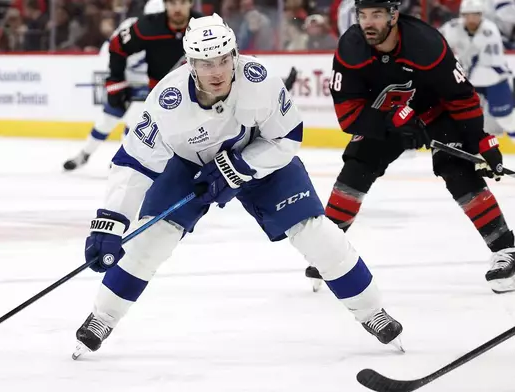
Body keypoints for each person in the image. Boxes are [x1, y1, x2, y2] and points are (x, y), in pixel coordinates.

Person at [71, 13, 404, 359]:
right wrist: (110, 222)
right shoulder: (166, 100)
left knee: (315, 232)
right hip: (188, 165)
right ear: (189, 63)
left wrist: (239, 167)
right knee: (150, 240)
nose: (215, 71)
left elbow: (287, 137)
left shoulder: (260, 81)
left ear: (235, 55)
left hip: (259, 157)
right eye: (204, 63)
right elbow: (133, 163)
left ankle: (372, 311)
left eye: (222, 60)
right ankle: (102, 318)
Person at [304, 0, 515, 295]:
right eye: (363, 15)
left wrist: (482, 142)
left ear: (393, 15)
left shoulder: (426, 44)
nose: (368, 23)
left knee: (456, 169)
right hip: (386, 117)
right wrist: (391, 123)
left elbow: (461, 98)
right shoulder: (351, 47)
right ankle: (329, 250)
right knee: (357, 165)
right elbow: (349, 115)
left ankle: (507, 250)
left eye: (377, 14)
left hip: (435, 113)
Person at [62, 0, 200, 171]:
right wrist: (115, 83)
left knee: (135, 121)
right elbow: (111, 51)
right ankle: (84, 154)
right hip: (126, 82)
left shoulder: (182, 30)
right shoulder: (136, 28)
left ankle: (123, 159)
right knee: (107, 120)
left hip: (149, 86)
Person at [440, 0, 515, 141]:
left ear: (481, 15)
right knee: (470, 120)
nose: (471, 19)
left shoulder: (490, 31)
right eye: (467, 15)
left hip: (494, 79)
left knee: (506, 119)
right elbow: (436, 42)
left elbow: (482, 62)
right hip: (471, 81)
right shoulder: (453, 27)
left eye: (475, 15)